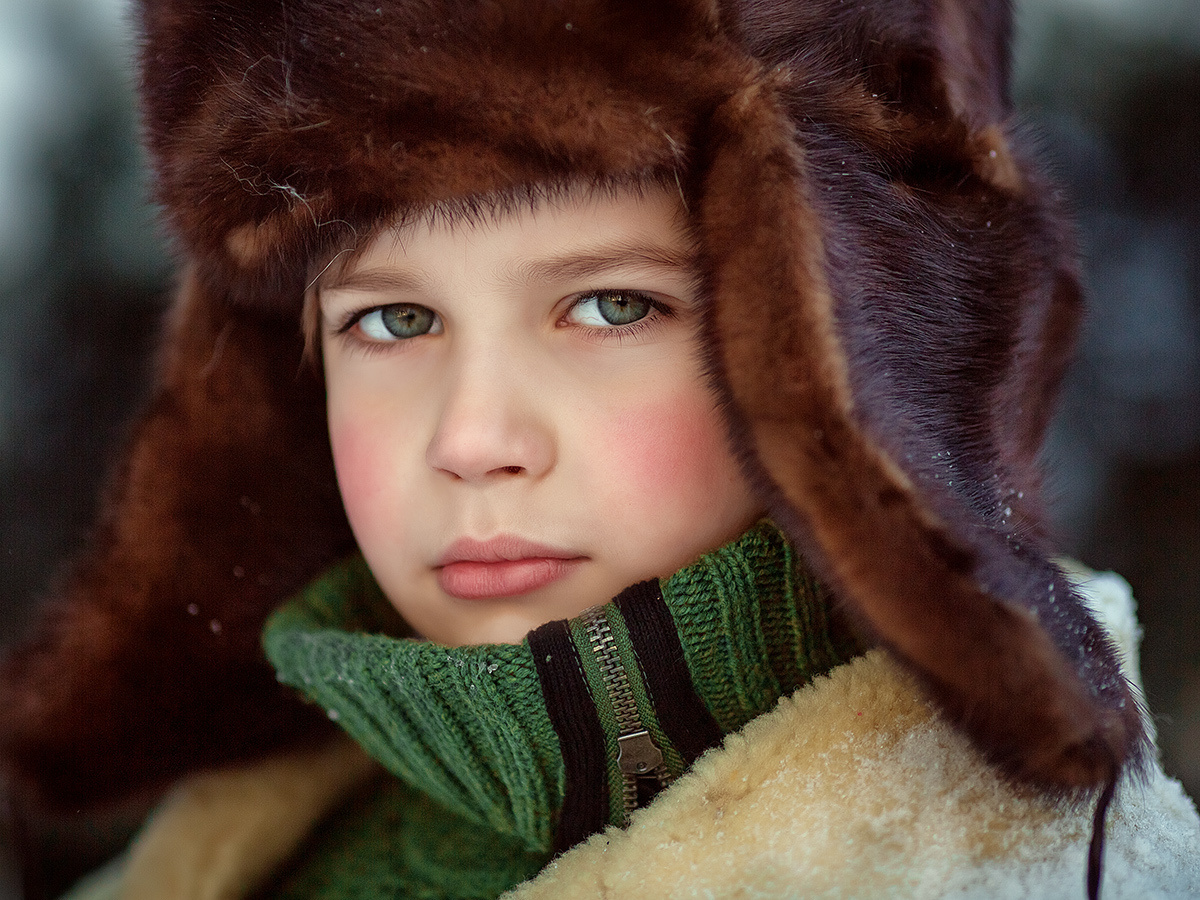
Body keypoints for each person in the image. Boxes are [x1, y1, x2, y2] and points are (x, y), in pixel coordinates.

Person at [2, 0, 1198, 898]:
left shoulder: (1035, 874)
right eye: (394, 321)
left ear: (849, 339)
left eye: (611, 306)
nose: (474, 440)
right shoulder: (228, 859)